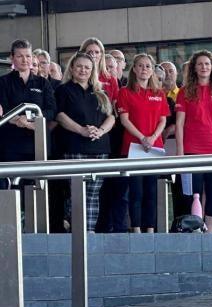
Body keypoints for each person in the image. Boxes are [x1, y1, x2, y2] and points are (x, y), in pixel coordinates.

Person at [55, 52, 115, 232]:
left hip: (99, 147)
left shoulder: (101, 92)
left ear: (92, 70)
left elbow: (111, 117)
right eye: (79, 66)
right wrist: (81, 130)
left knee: (93, 194)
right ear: (72, 68)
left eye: (87, 67)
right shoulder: (63, 90)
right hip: (75, 146)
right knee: (75, 193)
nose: (83, 70)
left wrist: (101, 131)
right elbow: (60, 116)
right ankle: (74, 231)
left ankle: (88, 232)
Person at [175, 50, 212, 233]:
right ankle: (196, 228)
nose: (204, 67)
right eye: (200, 64)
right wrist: (180, 151)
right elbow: (179, 123)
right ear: (194, 68)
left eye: (207, 64)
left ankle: (210, 233)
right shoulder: (184, 92)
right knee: (194, 193)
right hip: (192, 149)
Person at [117, 53, 170, 233]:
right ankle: (137, 228)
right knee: (136, 191)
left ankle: (150, 228)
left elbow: (163, 120)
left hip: (154, 146)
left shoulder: (159, 93)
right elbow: (124, 120)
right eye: (140, 66)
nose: (144, 69)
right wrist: (142, 138)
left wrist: (153, 137)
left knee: (151, 190)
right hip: (134, 146)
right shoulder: (125, 92)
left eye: (148, 66)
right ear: (134, 69)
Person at [0, 39, 56, 171]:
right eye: (20, 56)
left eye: (28, 56)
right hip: (11, 145)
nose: (25, 60)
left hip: (38, 144)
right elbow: (4, 109)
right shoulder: (3, 82)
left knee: (38, 186)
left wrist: (30, 120)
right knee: (13, 187)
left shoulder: (42, 83)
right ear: (12, 58)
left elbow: (51, 110)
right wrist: (19, 120)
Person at [79, 37, 118, 104]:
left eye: (97, 52)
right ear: (83, 54)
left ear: (101, 55)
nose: (93, 55)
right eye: (89, 52)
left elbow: (115, 105)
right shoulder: (78, 77)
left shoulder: (110, 79)